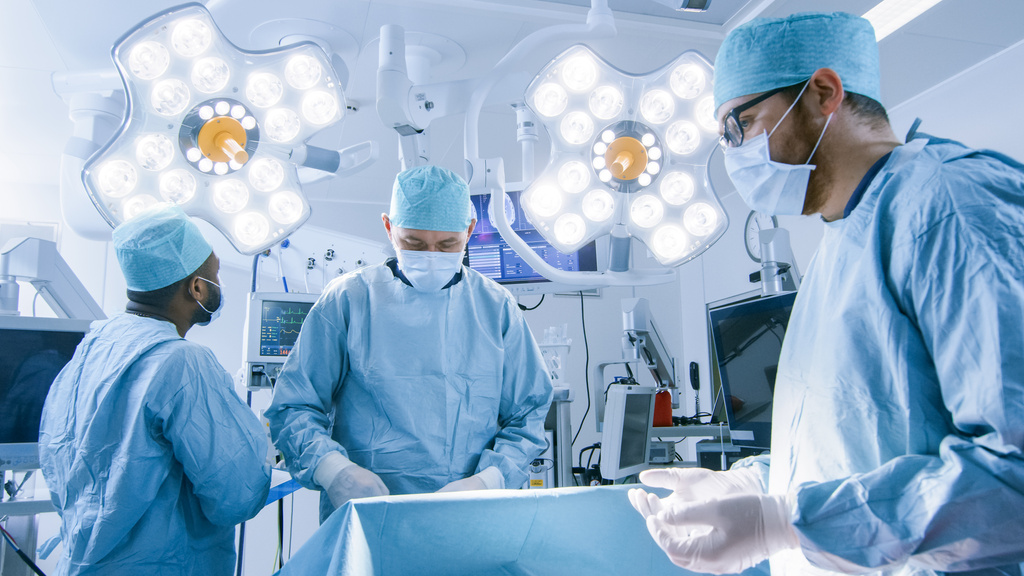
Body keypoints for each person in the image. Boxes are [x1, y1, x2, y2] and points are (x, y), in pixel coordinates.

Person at [629, 11, 1024, 576]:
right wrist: (752, 487)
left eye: (740, 125)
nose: (734, 153)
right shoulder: (841, 244)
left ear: (823, 93)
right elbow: (858, 441)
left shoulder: (951, 207)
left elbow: (1014, 472)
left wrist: (786, 521)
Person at [265, 165, 553, 522]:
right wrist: (333, 470)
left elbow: (528, 414)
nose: (431, 255)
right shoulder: (349, 300)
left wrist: (488, 480)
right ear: (388, 227)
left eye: (447, 245)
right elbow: (294, 406)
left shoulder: (495, 308)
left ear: (469, 230)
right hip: (367, 516)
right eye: (414, 243)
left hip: (468, 518)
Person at [39, 204, 271, 576]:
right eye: (215, 275)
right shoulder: (183, 363)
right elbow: (236, 495)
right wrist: (258, 443)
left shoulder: (93, 346)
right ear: (197, 287)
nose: (217, 284)